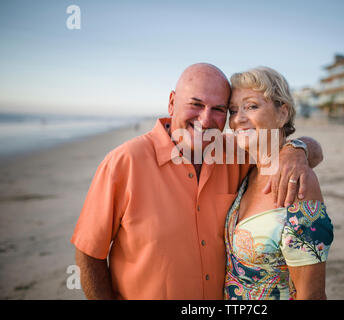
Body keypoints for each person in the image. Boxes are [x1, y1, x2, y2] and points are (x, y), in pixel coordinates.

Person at [71, 63, 324, 299]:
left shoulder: (236, 154)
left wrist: (297, 150)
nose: (205, 119)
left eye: (219, 109)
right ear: (172, 103)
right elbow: (89, 254)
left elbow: (294, 149)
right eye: (196, 104)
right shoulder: (124, 162)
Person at [224, 67, 333, 300]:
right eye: (233, 110)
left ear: (282, 113)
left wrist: (297, 149)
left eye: (251, 106)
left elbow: (312, 295)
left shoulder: (298, 181)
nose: (238, 119)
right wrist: (300, 147)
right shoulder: (248, 171)